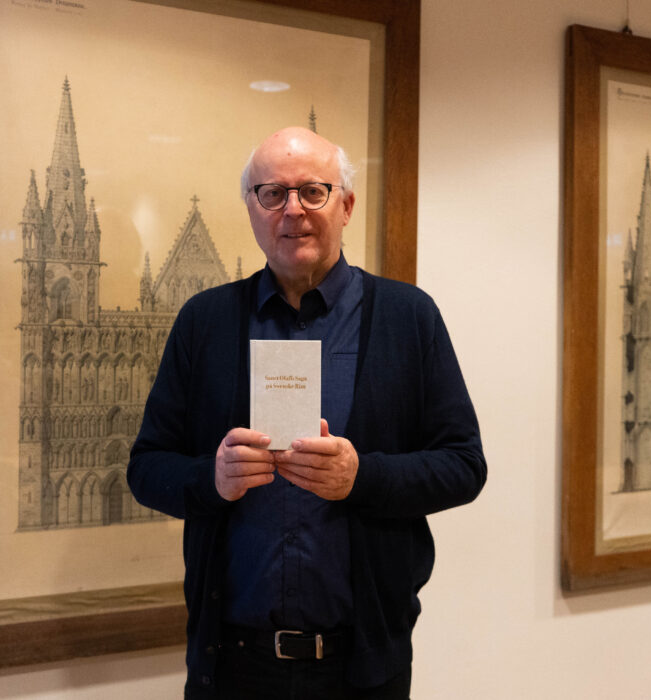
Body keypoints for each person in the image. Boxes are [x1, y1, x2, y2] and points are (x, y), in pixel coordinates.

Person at [128, 127, 486, 699]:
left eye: (313, 191)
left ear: (346, 206)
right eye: (272, 193)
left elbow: (464, 466)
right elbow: (147, 468)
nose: (292, 210)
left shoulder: (408, 317)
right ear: (251, 208)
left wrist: (362, 476)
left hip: (362, 668)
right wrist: (212, 478)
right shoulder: (205, 321)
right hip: (232, 666)